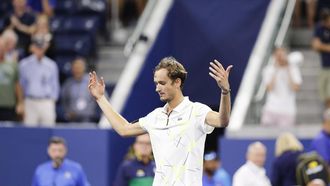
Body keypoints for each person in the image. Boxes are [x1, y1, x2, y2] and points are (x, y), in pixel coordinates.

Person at [88, 56, 232, 185]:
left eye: (162, 83)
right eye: (156, 83)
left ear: (177, 82)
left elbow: (222, 120)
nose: (157, 88)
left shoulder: (197, 111)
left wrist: (225, 92)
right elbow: (124, 129)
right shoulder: (155, 116)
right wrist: (101, 99)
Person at [19, 35, 59, 126]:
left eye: (41, 47)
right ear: (32, 47)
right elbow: (21, 85)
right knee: (29, 130)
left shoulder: (51, 65)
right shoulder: (24, 64)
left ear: (45, 48)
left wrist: (52, 100)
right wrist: (22, 102)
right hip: (30, 101)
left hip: (47, 101)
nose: (39, 50)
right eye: (37, 47)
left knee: (48, 128)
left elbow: (55, 85)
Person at [261, 47, 302, 127]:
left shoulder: (294, 70)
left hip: (287, 111)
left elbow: (295, 88)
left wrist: (288, 69)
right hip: (271, 109)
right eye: (278, 55)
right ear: (274, 56)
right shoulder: (268, 70)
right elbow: (269, 88)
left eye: (282, 55)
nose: (280, 57)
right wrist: (276, 70)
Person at [61, 58, 97, 122]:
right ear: (72, 69)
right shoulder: (68, 83)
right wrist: (68, 112)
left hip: (89, 119)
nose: (77, 70)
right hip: (72, 119)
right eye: (75, 67)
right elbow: (64, 100)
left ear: (84, 68)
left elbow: (101, 98)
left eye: (80, 67)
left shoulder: (92, 81)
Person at [0, 36, 24, 121]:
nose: (0, 49)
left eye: (2, 47)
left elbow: (17, 85)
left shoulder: (13, 65)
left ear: (6, 48)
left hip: (9, 105)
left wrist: (20, 103)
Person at [312, 9, 330, 109]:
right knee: (323, 93)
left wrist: (322, 46)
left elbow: (319, 45)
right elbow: (315, 46)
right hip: (324, 66)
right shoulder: (320, 27)